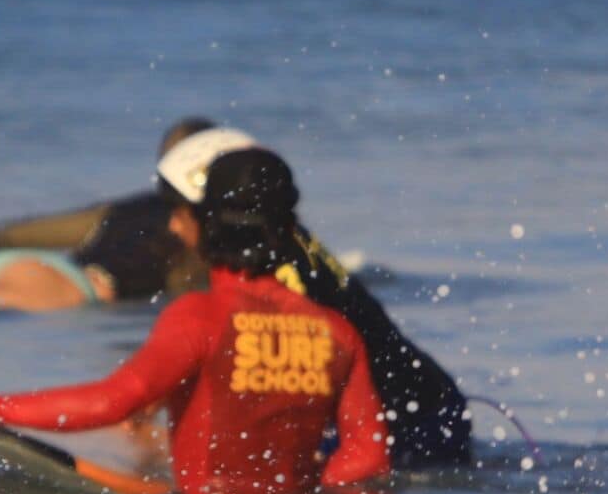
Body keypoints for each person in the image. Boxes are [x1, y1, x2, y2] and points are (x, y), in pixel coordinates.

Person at [0, 147, 391, 494]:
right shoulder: (334, 330)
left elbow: (110, 401)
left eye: (181, 212)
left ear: (206, 222)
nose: (172, 225)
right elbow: (367, 457)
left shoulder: (199, 317)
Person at [154, 133, 474, 471]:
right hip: (428, 405)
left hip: (408, 421)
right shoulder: (280, 243)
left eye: (180, 210)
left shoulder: (273, 272)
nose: (173, 225)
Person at [0, 118, 231, 311]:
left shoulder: (126, 207)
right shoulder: (201, 229)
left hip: (28, 263)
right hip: (69, 284)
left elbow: (56, 229)